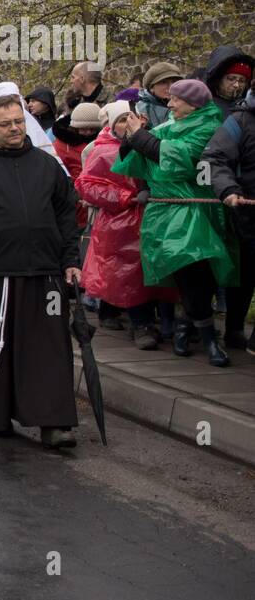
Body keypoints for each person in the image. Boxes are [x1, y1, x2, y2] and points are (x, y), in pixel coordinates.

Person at [0, 96, 81, 448]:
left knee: (50, 350)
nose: (15, 128)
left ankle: (54, 421)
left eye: (19, 121)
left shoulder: (47, 165)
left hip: (46, 273)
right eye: (6, 124)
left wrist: (71, 260)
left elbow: (67, 214)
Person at [114, 79, 236, 366]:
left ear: (193, 104)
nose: (169, 104)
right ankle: (187, 328)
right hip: (165, 213)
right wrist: (130, 136)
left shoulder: (208, 128)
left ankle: (205, 337)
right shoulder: (168, 127)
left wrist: (140, 136)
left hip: (195, 213)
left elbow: (179, 158)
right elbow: (134, 159)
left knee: (197, 274)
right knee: (185, 275)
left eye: (175, 99)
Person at [77, 101, 171, 350]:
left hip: (153, 217)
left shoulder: (152, 143)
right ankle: (141, 325)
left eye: (130, 117)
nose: (126, 123)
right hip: (119, 223)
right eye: (120, 119)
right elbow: (87, 185)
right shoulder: (102, 151)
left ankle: (154, 321)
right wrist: (126, 197)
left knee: (150, 272)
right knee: (128, 275)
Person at [203, 86, 255, 355]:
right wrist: (228, 189)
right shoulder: (239, 121)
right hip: (247, 212)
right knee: (245, 274)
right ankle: (234, 327)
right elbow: (213, 158)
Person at [203, 45, 253, 118]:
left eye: (242, 81)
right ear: (218, 79)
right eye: (231, 79)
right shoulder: (202, 108)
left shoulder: (249, 106)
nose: (236, 85)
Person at [135, 62, 182, 128]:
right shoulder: (141, 111)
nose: (171, 86)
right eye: (163, 82)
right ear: (151, 88)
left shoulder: (187, 103)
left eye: (174, 81)